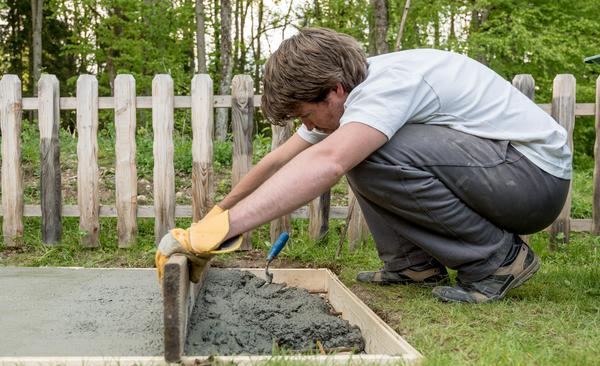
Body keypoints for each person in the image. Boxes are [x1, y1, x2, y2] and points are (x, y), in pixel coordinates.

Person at [156, 27, 571, 304]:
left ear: (335, 91)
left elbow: (328, 162)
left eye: (305, 115)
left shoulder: (386, 88)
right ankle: (414, 268)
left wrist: (223, 233)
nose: (308, 126)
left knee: (363, 152)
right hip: (502, 173)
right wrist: (217, 216)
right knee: (358, 148)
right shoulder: (353, 94)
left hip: (532, 181)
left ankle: (498, 262)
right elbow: (279, 159)